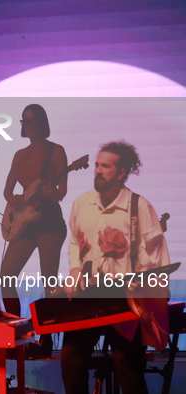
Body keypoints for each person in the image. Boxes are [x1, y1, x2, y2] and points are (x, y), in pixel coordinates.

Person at [61, 141, 170, 394]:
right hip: (89, 295)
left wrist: (139, 281)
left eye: (105, 166)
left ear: (121, 173)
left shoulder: (138, 207)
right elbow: (75, 242)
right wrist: (75, 271)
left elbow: (157, 259)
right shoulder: (81, 204)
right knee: (70, 359)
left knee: (127, 365)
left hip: (124, 299)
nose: (98, 170)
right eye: (97, 165)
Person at [0, 104, 68, 357]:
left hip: (48, 217)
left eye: (31, 121)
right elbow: (7, 190)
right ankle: (16, 335)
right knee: (6, 276)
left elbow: (62, 191)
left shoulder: (56, 150)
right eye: (23, 121)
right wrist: (14, 198)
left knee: (49, 280)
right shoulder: (19, 154)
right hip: (25, 219)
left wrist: (52, 193)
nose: (26, 125)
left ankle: (47, 340)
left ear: (41, 123)